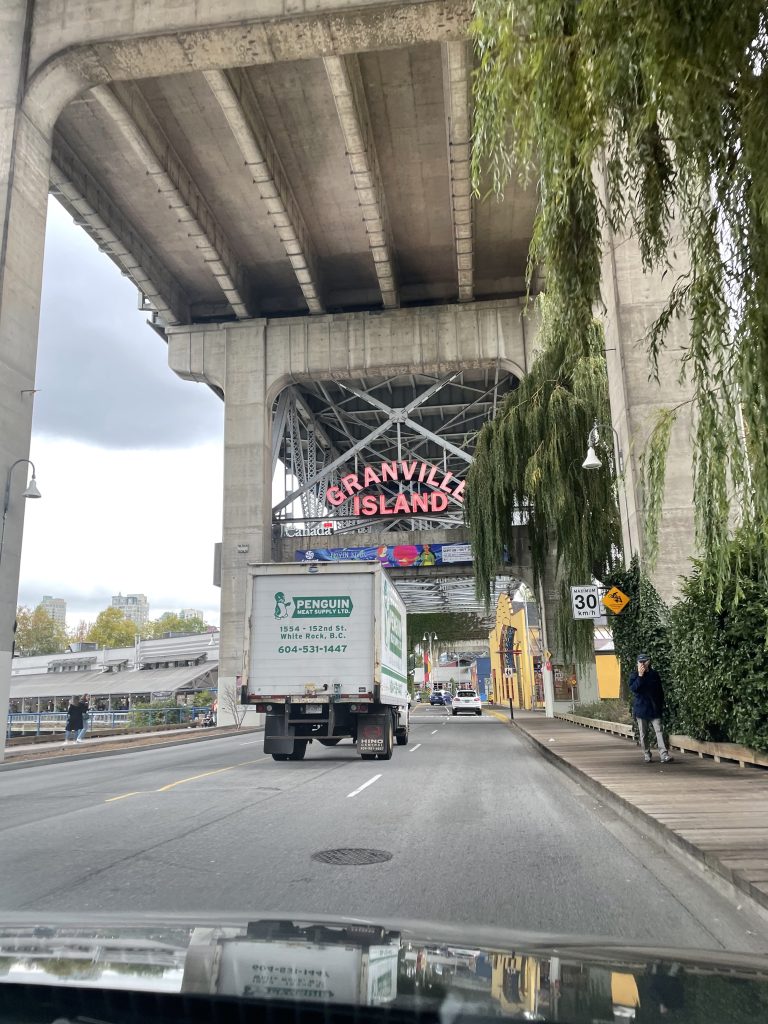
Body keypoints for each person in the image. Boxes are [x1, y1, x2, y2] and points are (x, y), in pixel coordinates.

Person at [629, 654, 674, 764]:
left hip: (654, 708)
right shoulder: (634, 675)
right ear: (637, 663)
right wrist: (640, 676)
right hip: (641, 708)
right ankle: (646, 754)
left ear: (649, 662)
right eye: (640, 662)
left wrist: (661, 704)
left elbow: (660, 691)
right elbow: (634, 689)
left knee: (659, 731)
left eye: (645, 661)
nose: (643, 664)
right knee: (643, 733)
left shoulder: (654, 675)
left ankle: (664, 754)